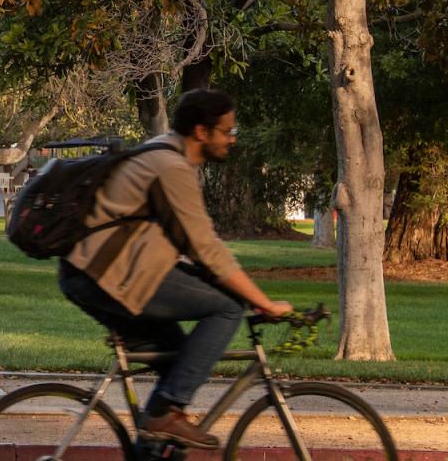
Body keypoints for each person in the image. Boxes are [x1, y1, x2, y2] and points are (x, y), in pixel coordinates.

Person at [59, 89, 290, 450]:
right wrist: (265, 303)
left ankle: (155, 437)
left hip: (97, 274)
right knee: (228, 307)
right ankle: (167, 413)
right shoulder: (171, 167)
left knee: (179, 363)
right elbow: (206, 250)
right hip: (105, 276)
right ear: (201, 131)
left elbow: (185, 245)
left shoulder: (166, 150)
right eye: (227, 131)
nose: (232, 139)